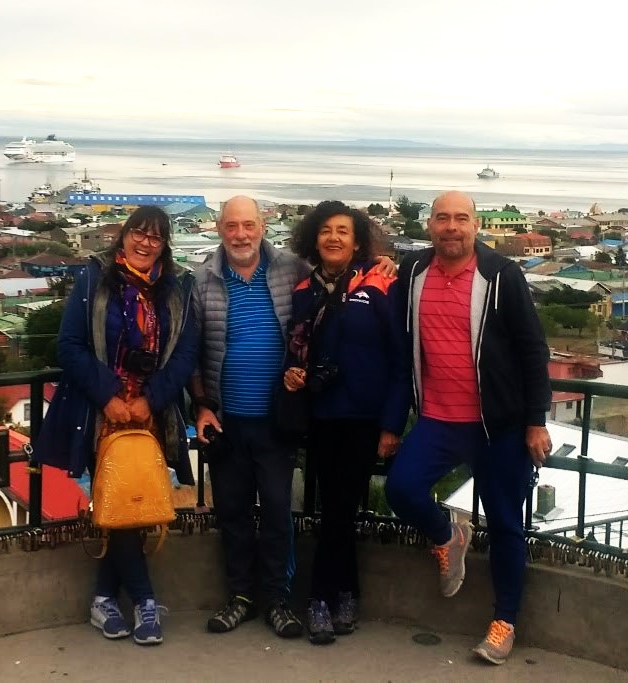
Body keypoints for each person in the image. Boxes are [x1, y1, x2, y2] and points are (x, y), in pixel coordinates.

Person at [190, 196, 395, 639]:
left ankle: (278, 601)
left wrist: (384, 261)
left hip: (277, 419)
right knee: (233, 513)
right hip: (226, 419)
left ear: (263, 226)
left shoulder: (291, 270)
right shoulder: (202, 279)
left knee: (279, 513)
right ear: (219, 229)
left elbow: (345, 277)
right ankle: (240, 597)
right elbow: (191, 350)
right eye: (232, 226)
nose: (241, 234)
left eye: (249, 225)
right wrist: (202, 404)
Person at [384, 191, 551, 665]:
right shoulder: (413, 271)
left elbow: (533, 350)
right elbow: (399, 347)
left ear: (476, 225)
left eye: (461, 218)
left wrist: (535, 421)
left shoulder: (501, 275)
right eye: (442, 218)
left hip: (498, 426)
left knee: (505, 524)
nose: (451, 227)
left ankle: (504, 622)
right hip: (438, 418)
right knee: (401, 489)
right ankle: (448, 534)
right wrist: (392, 423)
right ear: (429, 225)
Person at [33, 205, 198, 646]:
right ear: (123, 236)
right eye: (138, 233)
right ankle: (145, 600)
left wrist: (150, 399)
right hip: (98, 414)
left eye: (155, 237)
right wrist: (108, 395)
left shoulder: (178, 286)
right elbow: (69, 345)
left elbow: (186, 353)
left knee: (134, 501)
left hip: (151, 415)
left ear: (165, 245)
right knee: (121, 500)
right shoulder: (94, 278)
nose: (145, 243)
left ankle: (104, 598)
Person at [282, 200, 411, 645]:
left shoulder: (379, 283)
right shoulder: (304, 290)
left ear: (357, 242)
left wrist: (392, 424)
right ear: (313, 239)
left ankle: (319, 597)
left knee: (338, 509)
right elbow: (298, 350)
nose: (333, 238)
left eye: (342, 231)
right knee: (334, 509)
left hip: (363, 416)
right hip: (321, 414)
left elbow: (401, 361)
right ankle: (348, 592)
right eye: (325, 231)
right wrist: (294, 373)